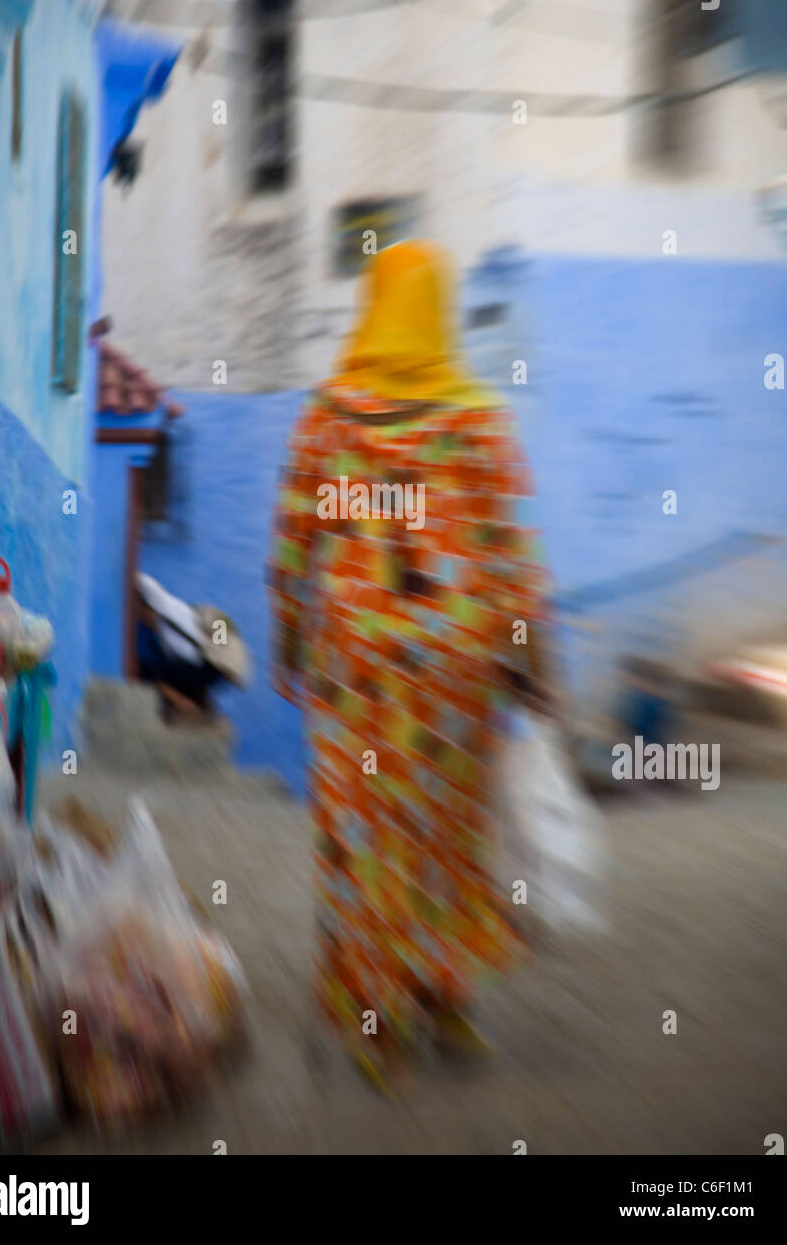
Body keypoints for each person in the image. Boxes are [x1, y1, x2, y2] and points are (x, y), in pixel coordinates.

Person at [268, 240, 556, 1092]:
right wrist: (533, 662)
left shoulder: (328, 413)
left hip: (358, 674)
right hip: (457, 673)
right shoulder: (475, 416)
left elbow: (293, 546)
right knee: (449, 839)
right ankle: (447, 1001)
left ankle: (373, 1026)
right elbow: (512, 556)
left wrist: (288, 640)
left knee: (365, 843)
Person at [135, 572, 249, 719]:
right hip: (212, 666)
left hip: (208, 666)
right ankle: (193, 703)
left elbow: (144, 583)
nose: (140, 617)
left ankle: (185, 704)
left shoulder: (166, 607)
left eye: (140, 611)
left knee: (144, 669)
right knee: (159, 666)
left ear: (147, 608)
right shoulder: (168, 623)